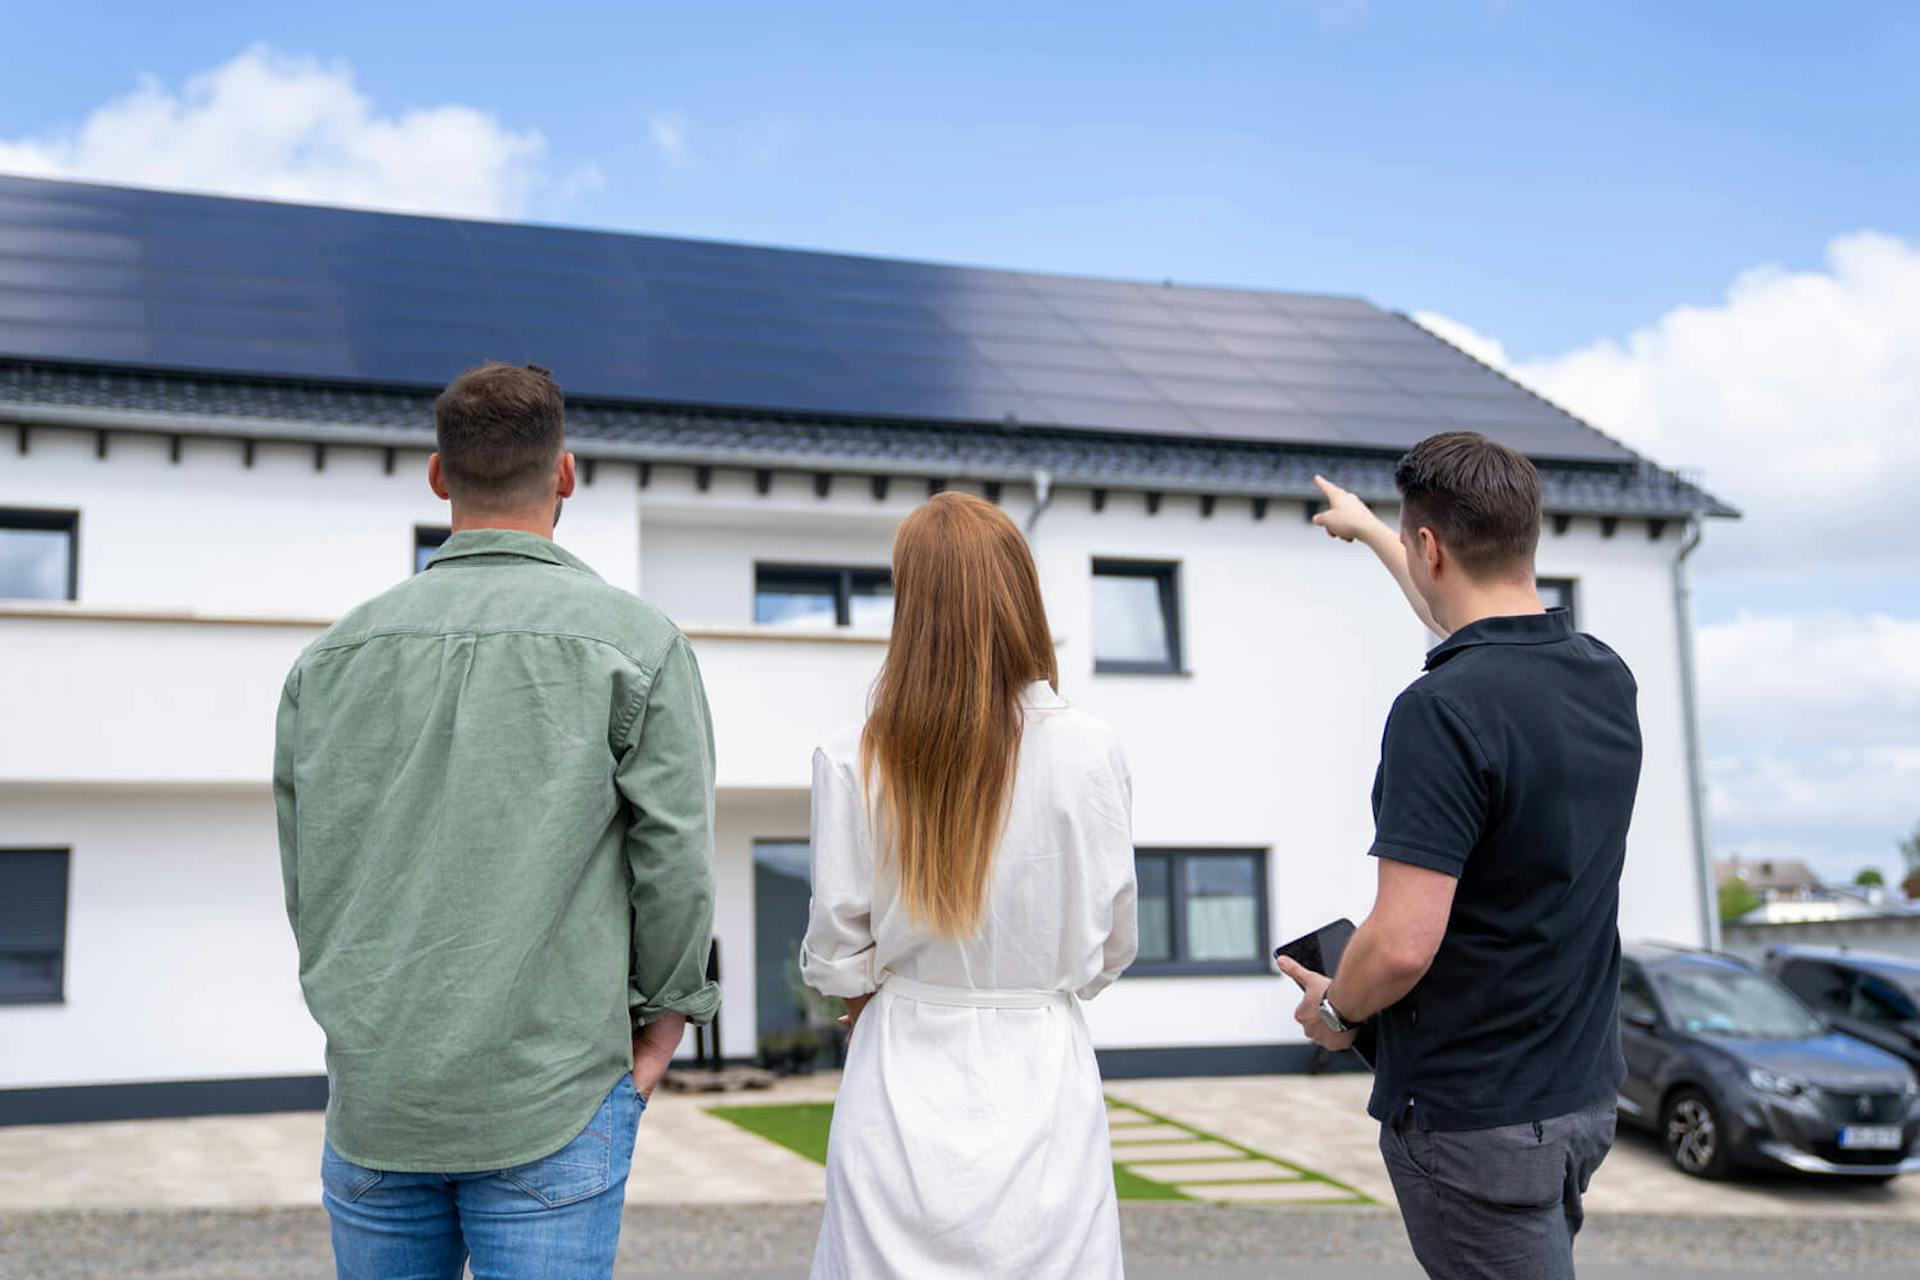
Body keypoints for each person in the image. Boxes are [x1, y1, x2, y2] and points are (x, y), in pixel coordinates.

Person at [272, 362, 720, 1280]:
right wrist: (666, 1024)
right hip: (553, 1092)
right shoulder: (637, 644)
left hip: (378, 1099)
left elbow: (307, 876)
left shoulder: (330, 659)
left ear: (440, 476)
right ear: (564, 474)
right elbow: (675, 861)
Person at [1278, 432, 1641, 1280]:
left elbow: (1403, 943)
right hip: (1579, 1100)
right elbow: (1469, 620)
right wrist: (1374, 531)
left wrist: (1337, 1012)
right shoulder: (1603, 675)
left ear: (1431, 547)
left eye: (1412, 544)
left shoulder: (1439, 712)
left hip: (1476, 1120)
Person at [800, 491, 1138, 1279]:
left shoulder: (855, 758)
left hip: (901, 1069)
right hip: (1042, 1071)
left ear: (910, 604)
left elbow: (840, 953)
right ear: (1019, 592)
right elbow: (1109, 948)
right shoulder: (1091, 751)